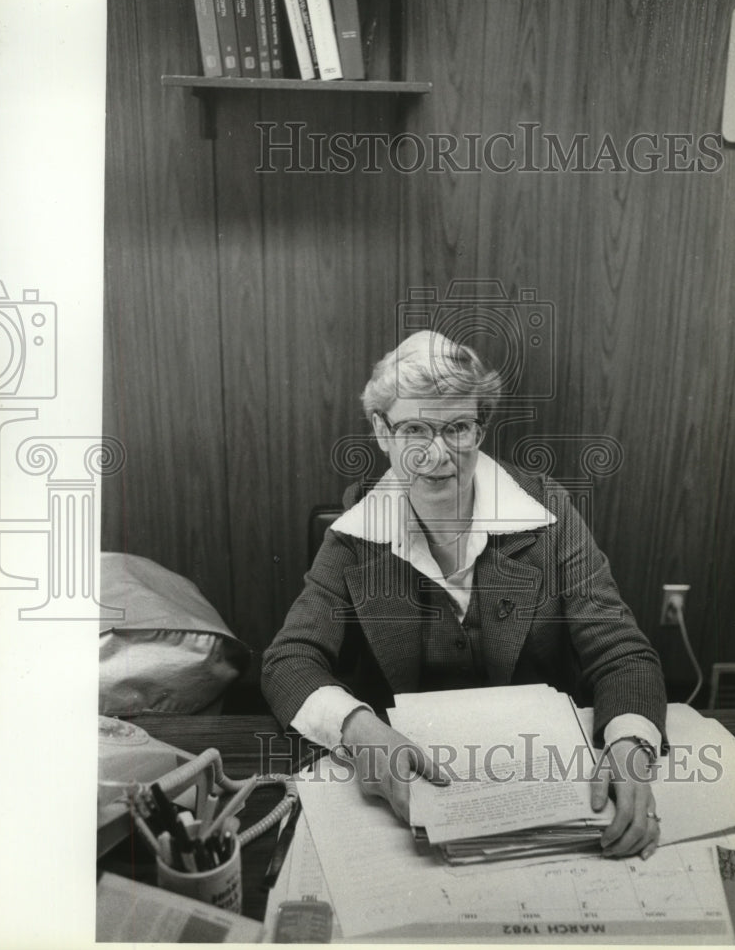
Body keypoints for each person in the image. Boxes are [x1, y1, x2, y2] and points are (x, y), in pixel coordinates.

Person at [261, 331, 667, 860]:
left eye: (456, 427)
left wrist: (630, 747)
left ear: (481, 428)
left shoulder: (548, 514)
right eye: (413, 429)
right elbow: (287, 661)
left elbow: (623, 652)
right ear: (382, 432)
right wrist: (359, 731)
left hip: (548, 782)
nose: (437, 454)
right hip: (412, 791)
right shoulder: (355, 534)